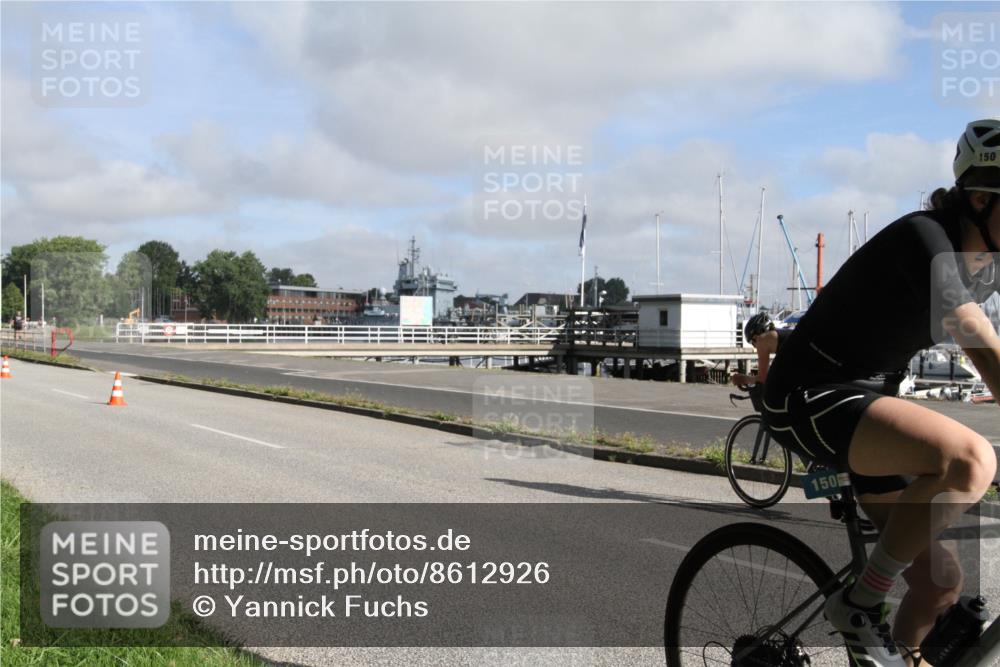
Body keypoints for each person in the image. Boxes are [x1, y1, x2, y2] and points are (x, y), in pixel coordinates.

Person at [762, 118, 1000, 666]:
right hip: (810, 393)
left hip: (870, 403)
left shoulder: (986, 263)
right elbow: (978, 338)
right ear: (983, 200)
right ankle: (861, 602)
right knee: (970, 460)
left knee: (940, 584)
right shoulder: (927, 239)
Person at [731, 311, 791, 387]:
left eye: (751, 342)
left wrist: (742, 379)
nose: (755, 347)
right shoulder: (781, 335)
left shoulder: (762, 339)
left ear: (755, 337)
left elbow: (762, 379)